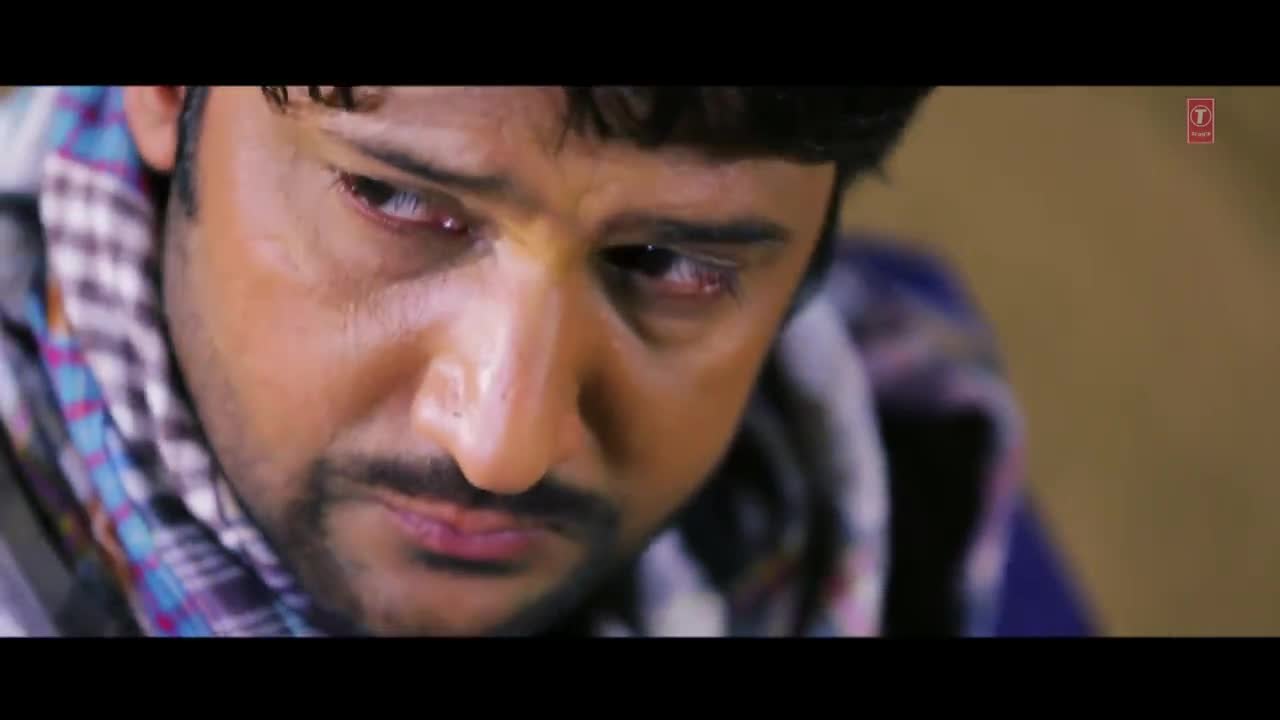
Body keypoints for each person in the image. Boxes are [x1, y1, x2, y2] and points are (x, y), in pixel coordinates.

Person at [0, 86, 1025, 637]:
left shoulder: (918, 465)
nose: (501, 445)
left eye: (667, 263)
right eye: (396, 200)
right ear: (166, 94)